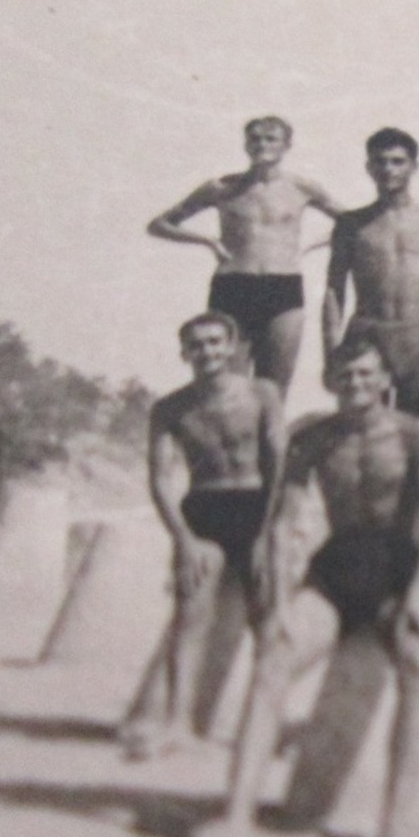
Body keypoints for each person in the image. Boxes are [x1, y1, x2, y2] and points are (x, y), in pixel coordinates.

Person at [187, 334, 419, 837]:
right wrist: (278, 603)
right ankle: (237, 816)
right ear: (332, 381)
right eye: (345, 376)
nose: (355, 385)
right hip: (338, 569)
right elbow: (282, 525)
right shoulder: (315, 438)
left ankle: (398, 823)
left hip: (397, 570)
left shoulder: (417, 436)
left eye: (367, 375)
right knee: (273, 662)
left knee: (418, 666)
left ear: (386, 382)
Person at [130, 311, 284, 759]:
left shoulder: (262, 394)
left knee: (267, 621)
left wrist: (269, 534)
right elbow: (160, 478)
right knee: (190, 618)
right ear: (185, 353)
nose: (208, 352)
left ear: (232, 345)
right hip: (204, 510)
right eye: (197, 345)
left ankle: (262, 729)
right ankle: (178, 724)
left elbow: (278, 467)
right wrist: (183, 539)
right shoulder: (172, 408)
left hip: (256, 505)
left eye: (216, 342)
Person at [148, 116, 345, 394]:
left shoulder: (302, 188)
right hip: (233, 288)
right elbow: (159, 224)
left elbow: (352, 224)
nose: (261, 145)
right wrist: (207, 241)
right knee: (229, 390)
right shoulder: (221, 188)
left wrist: (312, 245)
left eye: (270, 139)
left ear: (286, 145)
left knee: (273, 391)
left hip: (283, 288)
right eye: (254, 139)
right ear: (245, 144)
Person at [322, 127, 419, 416]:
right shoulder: (351, 223)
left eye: (398, 161)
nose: (389, 169)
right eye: (380, 161)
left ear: (414, 166)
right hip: (366, 334)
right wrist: (330, 353)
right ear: (369, 167)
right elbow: (333, 291)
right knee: (365, 428)